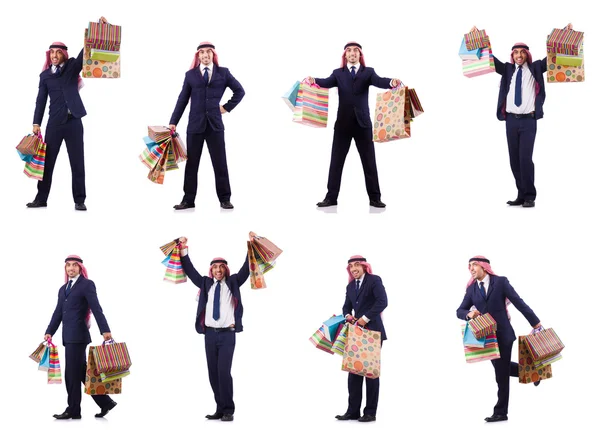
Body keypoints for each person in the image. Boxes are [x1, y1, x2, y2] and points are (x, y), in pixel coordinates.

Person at [28, 16, 110, 211]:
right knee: (47, 163)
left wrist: (97, 30)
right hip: (54, 125)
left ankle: (79, 200)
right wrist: (36, 122)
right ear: (49, 55)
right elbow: (40, 100)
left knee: (77, 163)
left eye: (58, 52)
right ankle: (41, 198)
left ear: (64, 54)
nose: (55, 55)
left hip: (74, 122)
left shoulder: (72, 67)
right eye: (52, 53)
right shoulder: (45, 76)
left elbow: (85, 52)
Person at [307, 42, 401, 208]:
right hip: (342, 124)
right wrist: (313, 80)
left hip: (363, 125)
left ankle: (375, 198)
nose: (352, 53)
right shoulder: (338, 73)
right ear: (345, 55)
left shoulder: (368, 72)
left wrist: (391, 82)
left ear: (360, 55)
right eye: (349, 51)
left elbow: (379, 81)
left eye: (355, 51)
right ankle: (331, 198)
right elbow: (326, 82)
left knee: (369, 162)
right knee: (336, 162)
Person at [490, 24, 572, 208]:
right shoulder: (508, 69)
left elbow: (553, 56)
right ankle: (520, 194)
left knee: (525, 158)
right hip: (510, 121)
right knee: (514, 160)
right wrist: (476, 39)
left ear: (527, 54)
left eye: (522, 52)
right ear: (512, 55)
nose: (519, 55)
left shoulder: (535, 68)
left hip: (528, 121)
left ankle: (529, 196)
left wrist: (564, 35)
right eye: (516, 53)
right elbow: (489, 60)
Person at [178, 232, 255, 422]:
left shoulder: (234, 282)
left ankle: (229, 409)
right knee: (212, 373)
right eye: (215, 267)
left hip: (227, 335)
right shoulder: (205, 283)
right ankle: (219, 408)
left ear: (226, 270)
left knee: (223, 372)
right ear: (211, 270)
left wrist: (251, 245)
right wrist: (184, 249)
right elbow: (190, 270)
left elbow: (247, 268)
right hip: (210, 335)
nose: (218, 270)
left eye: (221, 267)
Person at [456, 256, 542, 423]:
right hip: (486, 338)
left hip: (503, 333)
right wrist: (469, 314)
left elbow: (518, 302)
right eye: (469, 266)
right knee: (501, 368)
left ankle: (501, 411)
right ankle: (533, 373)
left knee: (500, 373)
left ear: (484, 266)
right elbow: (459, 310)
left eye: (474, 265)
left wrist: (535, 322)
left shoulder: (500, 282)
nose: (471, 269)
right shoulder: (471, 289)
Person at [169, 42, 245, 210]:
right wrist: (173, 121)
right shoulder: (190, 75)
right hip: (195, 126)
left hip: (215, 126)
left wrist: (226, 108)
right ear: (198, 56)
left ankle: (225, 199)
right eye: (201, 52)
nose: (205, 55)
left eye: (208, 52)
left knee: (220, 163)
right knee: (192, 164)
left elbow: (240, 91)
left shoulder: (223, 73)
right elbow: (182, 99)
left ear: (213, 54)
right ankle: (188, 200)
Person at [44, 255, 117, 419]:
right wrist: (50, 330)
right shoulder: (63, 289)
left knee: (71, 374)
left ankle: (73, 410)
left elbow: (97, 308)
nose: (70, 268)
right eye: (68, 266)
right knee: (82, 372)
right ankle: (105, 402)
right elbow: (58, 312)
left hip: (78, 336)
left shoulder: (86, 285)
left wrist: (105, 330)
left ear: (80, 268)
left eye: (74, 265)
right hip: (68, 336)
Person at [336, 255, 388, 423]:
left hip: (372, 331)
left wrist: (365, 318)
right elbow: (346, 306)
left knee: (370, 372)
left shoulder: (374, 280)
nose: (354, 269)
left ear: (365, 266)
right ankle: (353, 411)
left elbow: (382, 302)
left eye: (357, 265)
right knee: (354, 372)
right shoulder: (350, 286)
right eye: (351, 266)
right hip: (356, 332)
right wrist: (348, 315)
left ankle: (370, 412)